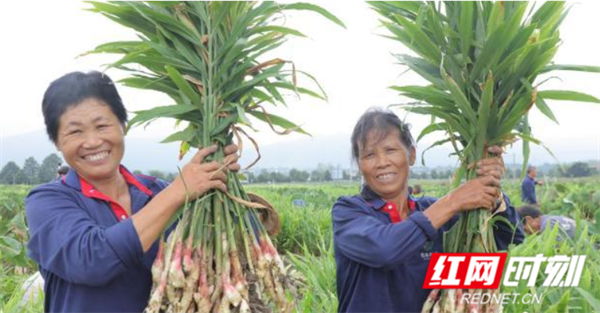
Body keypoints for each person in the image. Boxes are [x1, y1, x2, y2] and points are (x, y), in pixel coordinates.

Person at [25, 71, 240, 313]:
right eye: (75, 132)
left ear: (123, 126)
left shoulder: (158, 191)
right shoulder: (47, 202)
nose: (93, 141)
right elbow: (92, 260)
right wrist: (179, 191)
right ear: (56, 141)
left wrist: (223, 183)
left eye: (102, 125)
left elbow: (217, 251)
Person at [332, 108, 524, 313]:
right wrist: (453, 201)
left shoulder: (436, 213)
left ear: (411, 155)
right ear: (360, 165)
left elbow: (511, 235)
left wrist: (490, 190)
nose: (382, 163)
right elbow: (384, 250)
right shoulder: (349, 212)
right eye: (369, 155)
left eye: (390, 150)